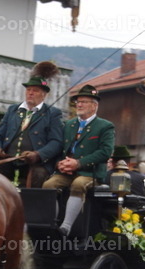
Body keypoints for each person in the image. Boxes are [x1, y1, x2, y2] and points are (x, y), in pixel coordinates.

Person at [42, 84, 115, 235]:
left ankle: (66, 227)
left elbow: (105, 152)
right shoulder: (69, 124)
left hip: (90, 173)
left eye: (84, 101)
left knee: (78, 184)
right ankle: (51, 225)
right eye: (78, 101)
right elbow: (61, 148)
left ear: (94, 105)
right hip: (67, 171)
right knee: (49, 184)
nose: (79, 104)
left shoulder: (105, 126)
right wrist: (60, 164)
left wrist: (78, 163)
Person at [0, 61, 64, 188]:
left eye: (35, 90)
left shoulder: (53, 113)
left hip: (36, 164)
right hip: (8, 159)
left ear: (44, 95)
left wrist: (38, 155)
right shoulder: (13, 110)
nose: (30, 92)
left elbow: (56, 142)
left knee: (38, 177)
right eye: (28, 89)